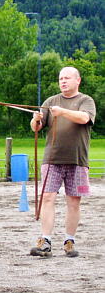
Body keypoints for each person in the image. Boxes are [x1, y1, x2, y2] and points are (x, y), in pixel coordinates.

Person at [30, 66, 96, 258]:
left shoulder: (86, 101)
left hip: (78, 161)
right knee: (48, 197)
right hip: (52, 160)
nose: (63, 81)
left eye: (67, 78)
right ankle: (45, 241)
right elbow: (36, 128)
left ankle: (69, 240)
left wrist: (62, 112)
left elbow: (84, 118)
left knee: (74, 201)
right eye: (60, 79)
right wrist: (36, 119)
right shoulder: (51, 101)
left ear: (78, 80)